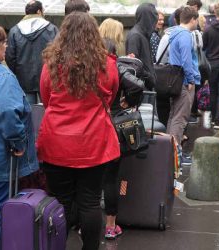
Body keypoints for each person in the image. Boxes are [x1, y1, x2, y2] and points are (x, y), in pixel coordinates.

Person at [37, 12, 120, 250]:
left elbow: (46, 100)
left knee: (61, 201)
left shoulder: (51, 65)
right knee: (90, 202)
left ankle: (55, 245)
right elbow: (110, 97)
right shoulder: (108, 65)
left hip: (57, 143)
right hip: (95, 142)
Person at [0, 23, 39, 249]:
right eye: (4, 43)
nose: (6, 46)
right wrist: (18, 142)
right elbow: (9, 112)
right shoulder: (1, 76)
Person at [98, 17, 125, 240]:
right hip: (114, 124)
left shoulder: (88, 65)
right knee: (111, 178)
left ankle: (83, 223)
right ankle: (110, 225)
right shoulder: (119, 64)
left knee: (89, 179)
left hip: (92, 126)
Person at [5, 0, 58, 104]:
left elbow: (9, 57)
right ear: (39, 11)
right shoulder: (52, 29)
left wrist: (18, 72)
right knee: (47, 110)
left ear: (26, 13)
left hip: (24, 80)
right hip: (47, 78)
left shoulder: (14, 31)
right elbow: (58, 53)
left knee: (28, 113)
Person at [167, 6, 201, 160]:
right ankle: (176, 153)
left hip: (174, 79)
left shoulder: (173, 33)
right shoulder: (186, 35)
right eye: (197, 20)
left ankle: (168, 149)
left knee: (174, 115)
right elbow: (186, 60)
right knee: (181, 117)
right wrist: (191, 80)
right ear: (193, 19)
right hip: (184, 81)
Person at [126, 3, 158, 90]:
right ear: (148, 18)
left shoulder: (143, 34)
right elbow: (133, 66)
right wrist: (149, 77)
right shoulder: (135, 36)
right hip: (141, 88)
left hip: (145, 85)